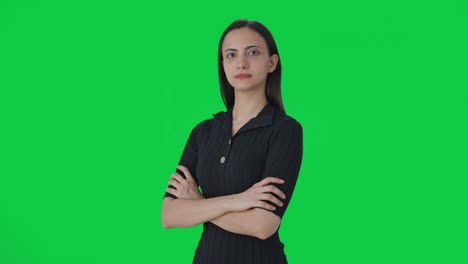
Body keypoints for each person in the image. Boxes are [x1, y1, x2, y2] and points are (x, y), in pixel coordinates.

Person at [161, 19, 303, 264]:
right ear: (223, 65)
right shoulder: (202, 132)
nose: (241, 63)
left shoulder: (284, 130)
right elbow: (169, 215)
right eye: (231, 55)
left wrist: (199, 204)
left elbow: (262, 225)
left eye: (253, 52)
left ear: (272, 62)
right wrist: (237, 201)